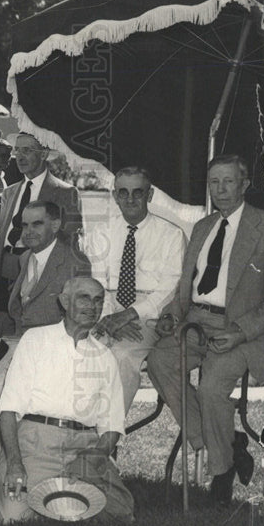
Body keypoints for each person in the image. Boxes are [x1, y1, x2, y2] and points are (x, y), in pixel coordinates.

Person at [146, 155, 264, 506]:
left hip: (241, 328)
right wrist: (170, 314)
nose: (220, 189)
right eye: (214, 182)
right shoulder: (202, 226)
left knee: (211, 387)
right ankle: (226, 445)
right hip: (195, 320)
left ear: (244, 185)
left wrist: (239, 332)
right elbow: (186, 286)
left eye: (228, 182)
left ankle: (221, 474)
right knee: (160, 362)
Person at [0, 277, 134, 524]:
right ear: (64, 301)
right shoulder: (36, 340)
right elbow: (8, 410)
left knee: (119, 515)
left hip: (83, 449)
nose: (92, 306)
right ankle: (62, 503)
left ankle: (67, 502)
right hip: (36, 445)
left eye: (98, 300)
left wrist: (97, 455)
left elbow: (112, 424)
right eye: (84, 298)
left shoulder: (105, 356)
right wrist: (15, 464)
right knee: (15, 518)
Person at [83, 167, 185, 411]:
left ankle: (107, 437)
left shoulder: (172, 235)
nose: (130, 199)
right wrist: (110, 316)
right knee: (80, 353)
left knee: (122, 357)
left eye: (138, 193)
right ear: (115, 196)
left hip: (149, 315)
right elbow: (97, 282)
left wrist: (128, 315)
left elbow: (168, 291)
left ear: (149, 196)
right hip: (106, 309)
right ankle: (78, 429)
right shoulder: (101, 232)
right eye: (123, 192)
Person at [0, 132, 82, 309]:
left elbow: (70, 244)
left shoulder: (65, 193)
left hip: (38, 275)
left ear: (44, 154)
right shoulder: (9, 192)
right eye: (17, 150)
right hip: (3, 271)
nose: (20, 157)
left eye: (27, 150)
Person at [8, 201, 92, 334]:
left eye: (37, 224)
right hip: (22, 340)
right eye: (25, 225)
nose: (28, 231)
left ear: (55, 225)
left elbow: (81, 315)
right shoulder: (24, 258)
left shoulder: (76, 262)